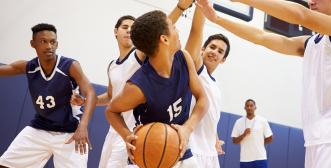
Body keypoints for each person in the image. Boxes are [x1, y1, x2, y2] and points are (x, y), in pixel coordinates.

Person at [196, 0, 331, 167]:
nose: (311, 1)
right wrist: (217, 19)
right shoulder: (311, 43)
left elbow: (301, 15)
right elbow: (261, 37)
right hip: (316, 138)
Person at [70, 1, 196, 168]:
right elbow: (110, 97)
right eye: (125, 26)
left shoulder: (139, 56)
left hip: (139, 130)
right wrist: (86, 101)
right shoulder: (112, 66)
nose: (129, 29)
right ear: (115, 31)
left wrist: (180, 8)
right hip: (117, 128)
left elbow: (161, 29)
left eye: (132, 26)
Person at [105, 9, 208, 168]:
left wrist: (187, 128)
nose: (177, 30)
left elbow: (202, 98)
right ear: (164, 39)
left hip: (181, 150)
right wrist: (126, 135)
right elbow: (111, 110)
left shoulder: (184, 58)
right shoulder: (139, 86)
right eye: (173, 27)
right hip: (149, 153)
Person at [0, 23, 96, 168]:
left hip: (70, 132)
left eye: (52, 42)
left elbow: (91, 93)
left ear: (57, 44)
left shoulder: (70, 66)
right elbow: (5, 70)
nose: (49, 46)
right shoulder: (29, 67)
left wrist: (83, 126)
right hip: (39, 128)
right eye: (43, 41)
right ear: (33, 44)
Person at [183, 6, 231, 168]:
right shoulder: (196, 69)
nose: (215, 52)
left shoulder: (216, 85)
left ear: (223, 60)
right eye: (212, 47)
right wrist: (202, 6)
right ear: (202, 49)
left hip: (210, 153)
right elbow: (196, 31)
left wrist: (214, 137)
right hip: (190, 148)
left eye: (220, 51)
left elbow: (211, 116)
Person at [231, 99, 273, 168]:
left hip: (260, 158)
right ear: (245, 108)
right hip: (245, 159)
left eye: (251, 106)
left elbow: (270, 138)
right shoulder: (238, 122)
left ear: (255, 107)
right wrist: (244, 134)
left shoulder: (263, 121)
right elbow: (234, 141)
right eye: (247, 106)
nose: (249, 107)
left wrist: (260, 142)